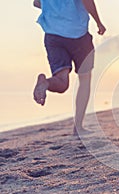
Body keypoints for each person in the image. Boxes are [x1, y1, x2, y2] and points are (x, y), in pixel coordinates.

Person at [33, 0, 106, 135]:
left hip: (53, 35)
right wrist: (99, 22)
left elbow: (36, 2)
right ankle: (78, 127)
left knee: (62, 81)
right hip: (78, 35)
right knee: (84, 80)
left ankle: (46, 83)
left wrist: (55, 8)